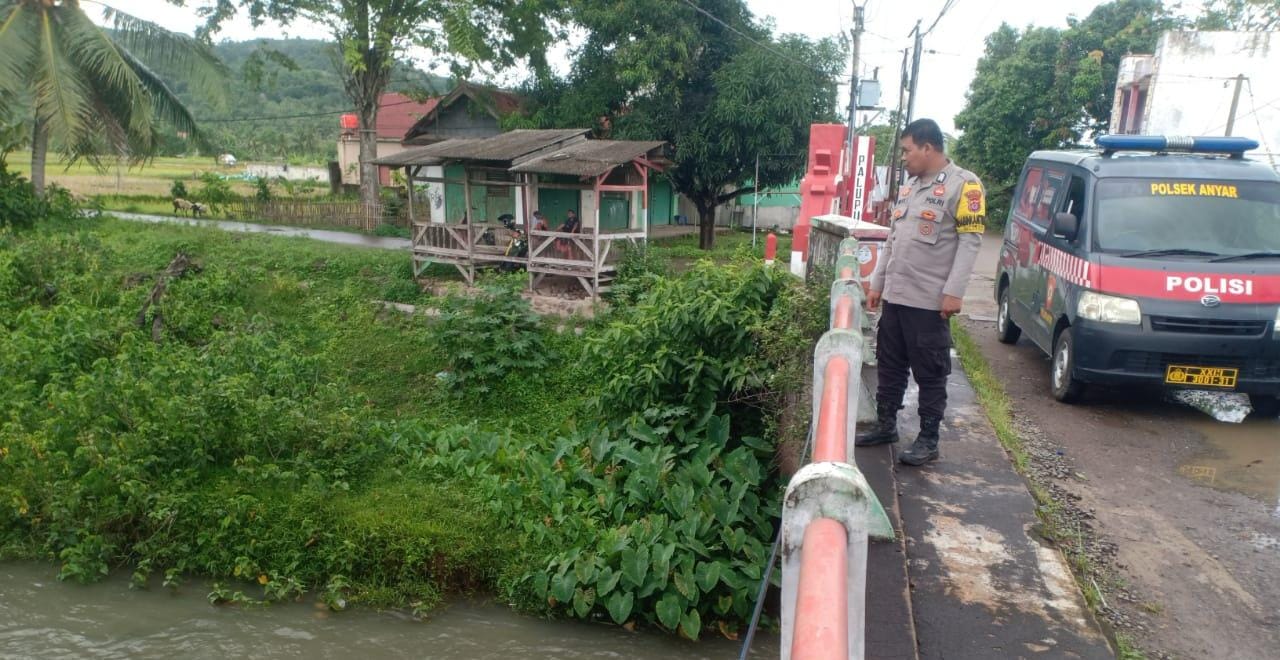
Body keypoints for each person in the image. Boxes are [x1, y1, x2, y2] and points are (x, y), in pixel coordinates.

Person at [855, 118, 985, 467]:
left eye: (907, 150)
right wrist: (877, 283)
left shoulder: (965, 186)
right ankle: (886, 425)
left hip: (929, 301)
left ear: (928, 148)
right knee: (889, 363)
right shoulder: (910, 188)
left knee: (930, 372)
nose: (903, 157)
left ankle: (929, 439)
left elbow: (970, 243)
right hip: (896, 296)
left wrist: (954, 292)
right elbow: (893, 240)